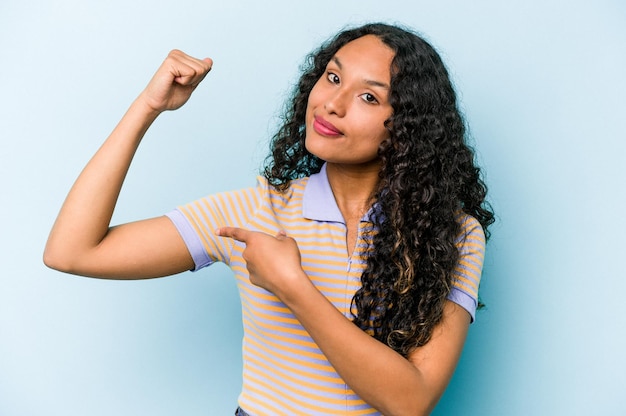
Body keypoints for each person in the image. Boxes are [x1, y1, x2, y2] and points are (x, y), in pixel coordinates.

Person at [44, 22, 494, 416]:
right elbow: (72, 251)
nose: (332, 104)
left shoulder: (454, 234)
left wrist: (291, 285)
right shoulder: (252, 211)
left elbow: (410, 402)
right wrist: (147, 106)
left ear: (407, 128)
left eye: (368, 97)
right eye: (332, 77)